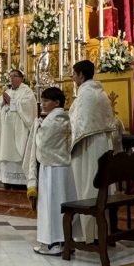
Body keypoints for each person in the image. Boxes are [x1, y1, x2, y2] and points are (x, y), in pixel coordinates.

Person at [68, 60, 118, 243]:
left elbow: (76, 125)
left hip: (86, 147)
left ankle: (90, 235)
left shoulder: (85, 95)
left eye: (74, 74)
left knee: (88, 187)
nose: (72, 77)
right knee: (98, 188)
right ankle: (102, 231)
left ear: (81, 75)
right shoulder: (100, 92)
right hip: (101, 145)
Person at [24, 86, 76, 256]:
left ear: (57, 102)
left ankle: (54, 244)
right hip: (64, 169)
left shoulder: (53, 120)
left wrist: (37, 128)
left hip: (52, 169)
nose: (43, 104)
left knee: (52, 206)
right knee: (60, 204)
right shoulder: (65, 118)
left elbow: (44, 143)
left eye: (46, 101)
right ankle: (65, 240)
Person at [0, 69, 36, 189]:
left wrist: (11, 102)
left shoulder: (27, 92)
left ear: (21, 78)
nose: (12, 78)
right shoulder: (7, 91)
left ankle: (21, 182)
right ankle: (7, 180)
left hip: (20, 130)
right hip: (6, 132)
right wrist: (2, 103)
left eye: (15, 76)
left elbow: (28, 108)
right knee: (5, 150)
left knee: (19, 153)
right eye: (10, 76)